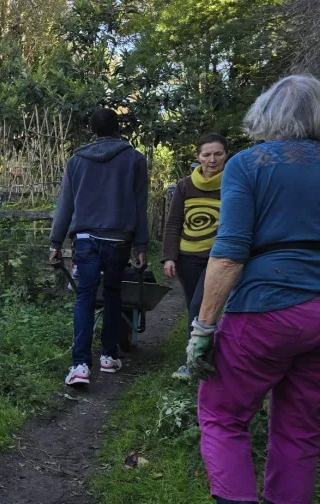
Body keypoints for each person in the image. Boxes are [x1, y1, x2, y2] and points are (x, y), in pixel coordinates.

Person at [189, 74, 320, 504]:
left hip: (267, 309)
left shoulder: (248, 165)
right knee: (300, 429)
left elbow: (228, 254)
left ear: (264, 114)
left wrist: (204, 329)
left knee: (223, 414)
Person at [49, 108, 149, 387]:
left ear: (93, 131)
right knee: (114, 293)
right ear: (118, 129)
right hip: (119, 240)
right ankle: (108, 356)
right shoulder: (134, 160)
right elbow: (140, 205)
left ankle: (80, 365)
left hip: (85, 240)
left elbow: (65, 205)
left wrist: (55, 242)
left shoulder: (76, 161)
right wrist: (141, 246)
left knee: (85, 297)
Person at [163, 134, 228, 379]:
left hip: (218, 258)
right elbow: (174, 223)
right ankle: (206, 357)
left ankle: (192, 363)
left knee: (200, 307)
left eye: (218, 154)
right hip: (186, 258)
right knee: (194, 307)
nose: (212, 160)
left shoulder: (233, 183)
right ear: (198, 157)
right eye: (206, 154)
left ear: (226, 155)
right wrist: (169, 256)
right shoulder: (185, 185)